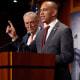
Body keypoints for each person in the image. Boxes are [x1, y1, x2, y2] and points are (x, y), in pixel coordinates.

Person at [6, 1, 74, 80]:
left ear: (54, 12)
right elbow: (28, 52)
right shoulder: (41, 33)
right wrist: (14, 37)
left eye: (44, 10)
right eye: (40, 10)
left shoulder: (64, 30)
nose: (41, 13)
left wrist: (43, 60)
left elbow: (67, 56)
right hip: (42, 76)